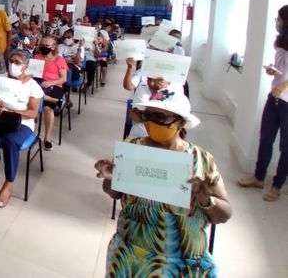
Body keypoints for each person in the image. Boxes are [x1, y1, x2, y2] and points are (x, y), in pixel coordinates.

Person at [95, 92, 232, 276]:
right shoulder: (132, 148)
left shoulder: (202, 160)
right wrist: (110, 179)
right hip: (131, 252)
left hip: (183, 260)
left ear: (180, 122)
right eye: (147, 115)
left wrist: (207, 200)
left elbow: (224, 215)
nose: (151, 123)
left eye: (160, 117)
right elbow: (115, 193)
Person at [0, 49, 43, 208]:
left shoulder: (33, 86)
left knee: (10, 141)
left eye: (17, 62)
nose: (13, 65)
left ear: (26, 66)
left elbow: (33, 113)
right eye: (11, 61)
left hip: (21, 122)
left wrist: (12, 112)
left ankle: (8, 183)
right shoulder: (0, 78)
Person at [238, 4, 288, 202]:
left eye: (280, 19)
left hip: (286, 102)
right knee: (266, 138)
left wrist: (284, 85)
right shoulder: (281, 42)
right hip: (273, 98)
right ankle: (259, 177)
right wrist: (272, 70)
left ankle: (276, 186)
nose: (277, 22)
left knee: (285, 147)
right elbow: (282, 69)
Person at [33, 36, 68, 151]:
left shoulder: (59, 60)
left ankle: (47, 138)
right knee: (29, 102)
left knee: (48, 110)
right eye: (42, 45)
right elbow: (31, 73)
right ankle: (56, 101)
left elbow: (63, 79)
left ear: (53, 47)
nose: (44, 47)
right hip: (39, 84)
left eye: (47, 46)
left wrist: (50, 83)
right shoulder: (37, 57)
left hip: (54, 86)